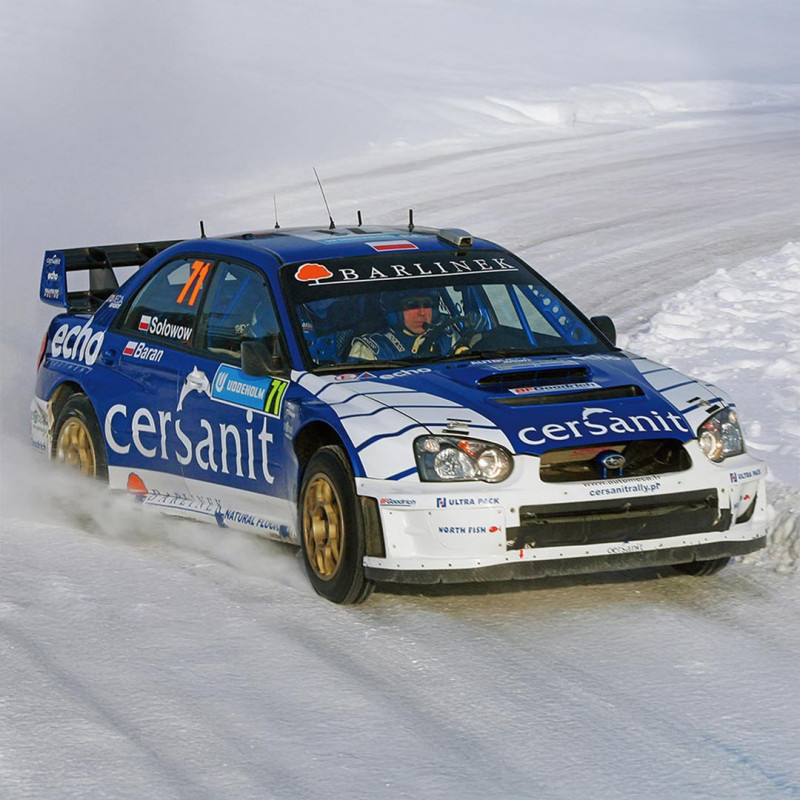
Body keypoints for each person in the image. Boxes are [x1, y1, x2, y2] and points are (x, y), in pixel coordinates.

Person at [348, 290, 443, 361]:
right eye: (412, 305)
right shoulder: (371, 349)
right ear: (396, 310)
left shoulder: (446, 338)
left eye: (427, 304)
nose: (422, 313)